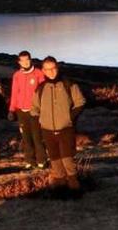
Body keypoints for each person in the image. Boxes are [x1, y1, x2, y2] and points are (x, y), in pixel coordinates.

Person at [31, 57, 87, 198]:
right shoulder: (41, 88)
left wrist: (69, 118)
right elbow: (34, 109)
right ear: (43, 71)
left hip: (66, 129)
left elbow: (80, 102)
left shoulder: (69, 85)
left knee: (67, 159)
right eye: (47, 69)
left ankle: (75, 189)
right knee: (55, 159)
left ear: (58, 67)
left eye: (54, 68)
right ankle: (60, 189)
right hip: (47, 130)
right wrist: (41, 121)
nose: (51, 71)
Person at [9, 50, 47, 170]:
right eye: (22, 60)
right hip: (21, 110)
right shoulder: (17, 75)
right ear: (19, 62)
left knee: (37, 136)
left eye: (27, 60)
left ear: (31, 60)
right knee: (25, 137)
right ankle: (30, 161)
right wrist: (11, 109)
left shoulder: (38, 74)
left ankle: (41, 160)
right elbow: (14, 93)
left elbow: (43, 92)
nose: (25, 62)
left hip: (34, 110)